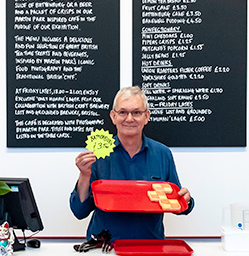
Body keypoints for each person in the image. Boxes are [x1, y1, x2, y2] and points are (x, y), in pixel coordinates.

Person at [69, 86, 194, 240]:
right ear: (113, 116)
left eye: (136, 112)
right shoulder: (97, 154)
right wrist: (84, 174)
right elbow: (79, 211)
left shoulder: (162, 153)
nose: (129, 119)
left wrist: (185, 200)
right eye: (122, 112)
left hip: (150, 247)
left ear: (146, 116)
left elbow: (178, 207)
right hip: (104, 248)